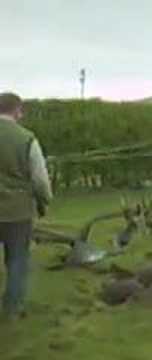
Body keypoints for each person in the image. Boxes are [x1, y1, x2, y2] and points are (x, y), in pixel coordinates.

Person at [0, 92, 52, 319]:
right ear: (16, 110)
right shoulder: (27, 138)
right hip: (17, 212)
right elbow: (39, 178)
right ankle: (12, 309)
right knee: (17, 261)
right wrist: (45, 200)